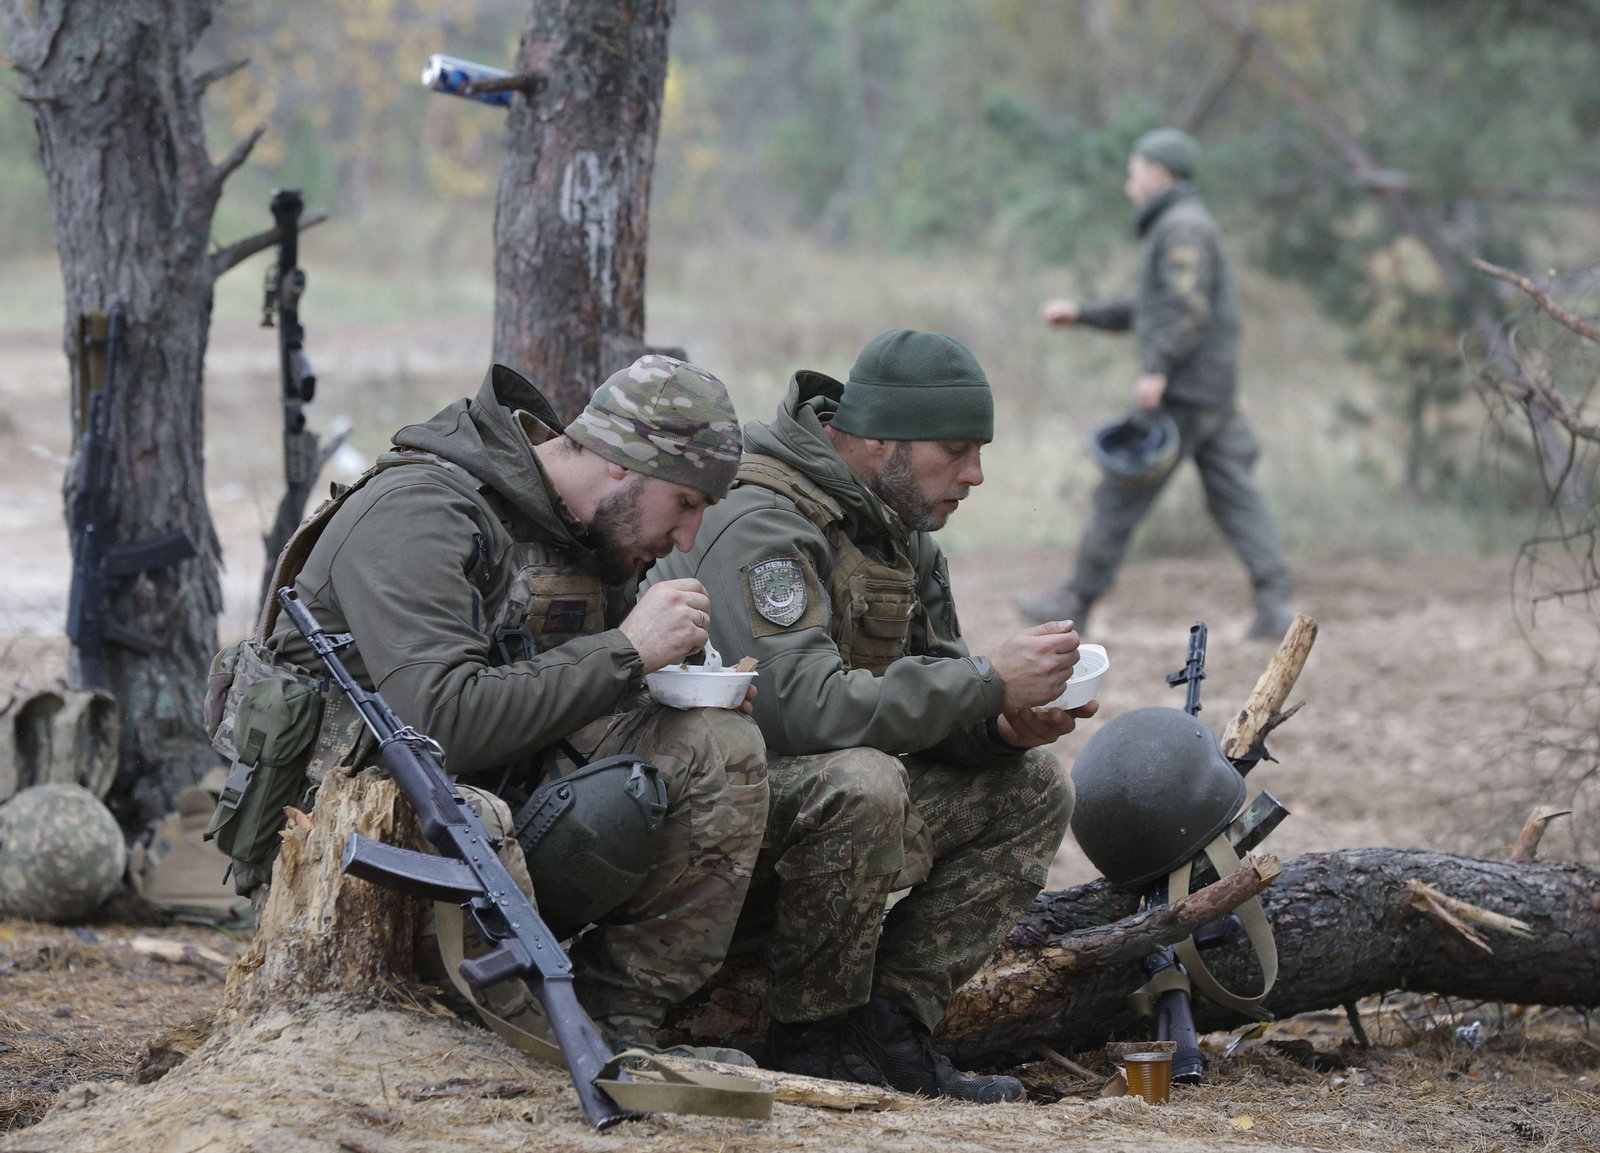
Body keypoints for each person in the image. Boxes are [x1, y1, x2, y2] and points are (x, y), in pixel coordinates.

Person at [228, 357, 768, 1052]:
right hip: (352, 832)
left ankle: (618, 1024)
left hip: (498, 800)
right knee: (478, 814)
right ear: (621, 461)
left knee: (717, 747)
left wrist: (673, 694)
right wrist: (627, 650)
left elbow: (553, 683)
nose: (687, 539)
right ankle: (528, 1041)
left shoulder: (581, 532)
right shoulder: (418, 513)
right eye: (686, 503)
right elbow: (439, 721)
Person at [651, 329, 1095, 1102]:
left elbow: (937, 691)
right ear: (876, 439)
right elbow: (799, 710)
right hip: (702, 825)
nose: (975, 474)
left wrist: (999, 726)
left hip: (802, 812)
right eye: (954, 451)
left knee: (1034, 784)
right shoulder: (762, 517)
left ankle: (889, 1029)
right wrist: (989, 682)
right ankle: (812, 1038)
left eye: (979, 451)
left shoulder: (898, 529)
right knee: (864, 781)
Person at [1017, 127, 1296, 640]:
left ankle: (1077, 599)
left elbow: (1186, 308)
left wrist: (1157, 369)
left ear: (1159, 173)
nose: (1129, 184)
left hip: (1180, 393)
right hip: (1209, 391)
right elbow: (1151, 308)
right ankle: (1276, 604)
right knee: (1234, 495)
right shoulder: (1181, 223)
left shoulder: (1181, 227)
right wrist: (1082, 314)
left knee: (1120, 492)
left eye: (1135, 172)